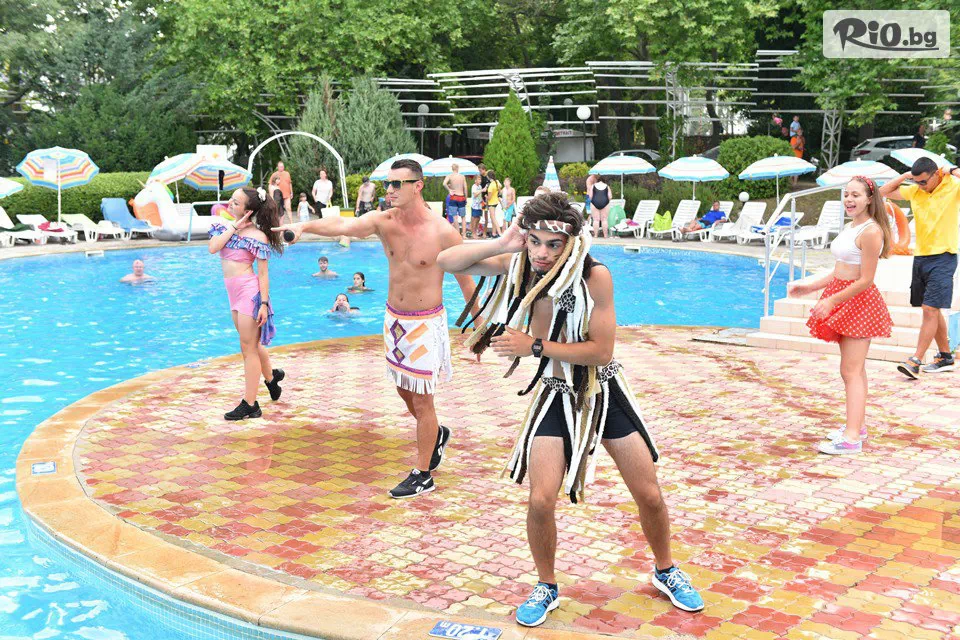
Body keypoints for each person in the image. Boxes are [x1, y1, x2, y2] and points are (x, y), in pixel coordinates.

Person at [436, 193, 704, 626]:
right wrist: (504, 242)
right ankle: (546, 585)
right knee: (541, 499)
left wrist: (533, 346)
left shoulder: (595, 276)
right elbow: (447, 261)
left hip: (603, 390)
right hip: (554, 390)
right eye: (535, 241)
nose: (542, 253)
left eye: (553, 244)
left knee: (649, 493)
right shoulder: (519, 264)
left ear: (572, 243)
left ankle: (666, 569)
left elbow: (601, 351)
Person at [275, 159, 479, 498]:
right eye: (388, 184)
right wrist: (304, 226)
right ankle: (436, 434)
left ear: (418, 186)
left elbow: (466, 283)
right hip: (394, 320)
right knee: (403, 390)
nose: (390, 190)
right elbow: (343, 224)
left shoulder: (443, 231)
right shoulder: (384, 222)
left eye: (398, 184)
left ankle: (423, 474)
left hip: (425, 324)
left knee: (423, 401)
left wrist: (480, 327)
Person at [788, 177, 894, 455]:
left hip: (859, 303)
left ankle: (851, 439)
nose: (849, 199)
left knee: (850, 371)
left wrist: (832, 301)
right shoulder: (852, 226)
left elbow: (866, 280)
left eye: (855, 195)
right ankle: (857, 427)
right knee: (855, 369)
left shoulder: (871, 231)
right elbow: (840, 270)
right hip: (844, 297)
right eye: (847, 194)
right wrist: (810, 287)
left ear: (869, 199)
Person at [208, 187, 286, 421]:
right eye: (231, 200)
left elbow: (263, 274)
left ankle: (250, 404)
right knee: (250, 342)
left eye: (236, 202)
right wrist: (234, 226)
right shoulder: (224, 227)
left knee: (248, 348)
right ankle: (271, 378)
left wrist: (264, 304)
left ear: (248, 210)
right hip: (232, 293)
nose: (230, 204)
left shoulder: (258, 237)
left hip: (249, 293)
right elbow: (213, 248)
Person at [881, 157, 960, 377]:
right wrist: (906, 176)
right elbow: (882, 192)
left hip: (944, 257)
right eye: (917, 182)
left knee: (930, 309)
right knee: (931, 307)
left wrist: (952, 170)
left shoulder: (953, 187)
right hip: (921, 258)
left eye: (924, 181)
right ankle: (945, 357)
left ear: (936, 174)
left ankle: (915, 360)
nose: (921, 186)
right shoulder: (915, 190)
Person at [443, 163, 468, 230]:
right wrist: (466, 198)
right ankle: (464, 234)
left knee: (454, 217)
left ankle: (458, 233)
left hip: (453, 197)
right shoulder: (462, 176)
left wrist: (449, 190)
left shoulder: (449, 176)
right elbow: (465, 188)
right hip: (461, 197)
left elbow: (444, 183)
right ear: (458, 168)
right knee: (463, 217)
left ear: (452, 169)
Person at [485, 170, 503, 238]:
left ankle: (500, 233)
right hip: (495, 201)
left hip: (491, 203)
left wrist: (486, 196)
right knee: (493, 218)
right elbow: (500, 188)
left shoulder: (491, 186)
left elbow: (489, 198)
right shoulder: (496, 182)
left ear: (488, 177)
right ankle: (494, 233)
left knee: (493, 218)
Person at [469, 174, 484, 239]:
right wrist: (481, 190)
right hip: (475, 205)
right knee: (475, 219)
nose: (480, 180)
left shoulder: (480, 186)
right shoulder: (474, 186)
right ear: (475, 180)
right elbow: (475, 195)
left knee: (478, 218)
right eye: (479, 179)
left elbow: (480, 195)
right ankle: (473, 233)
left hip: (479, 205)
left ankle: (475, 231)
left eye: (480, 179)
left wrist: (483, 201)